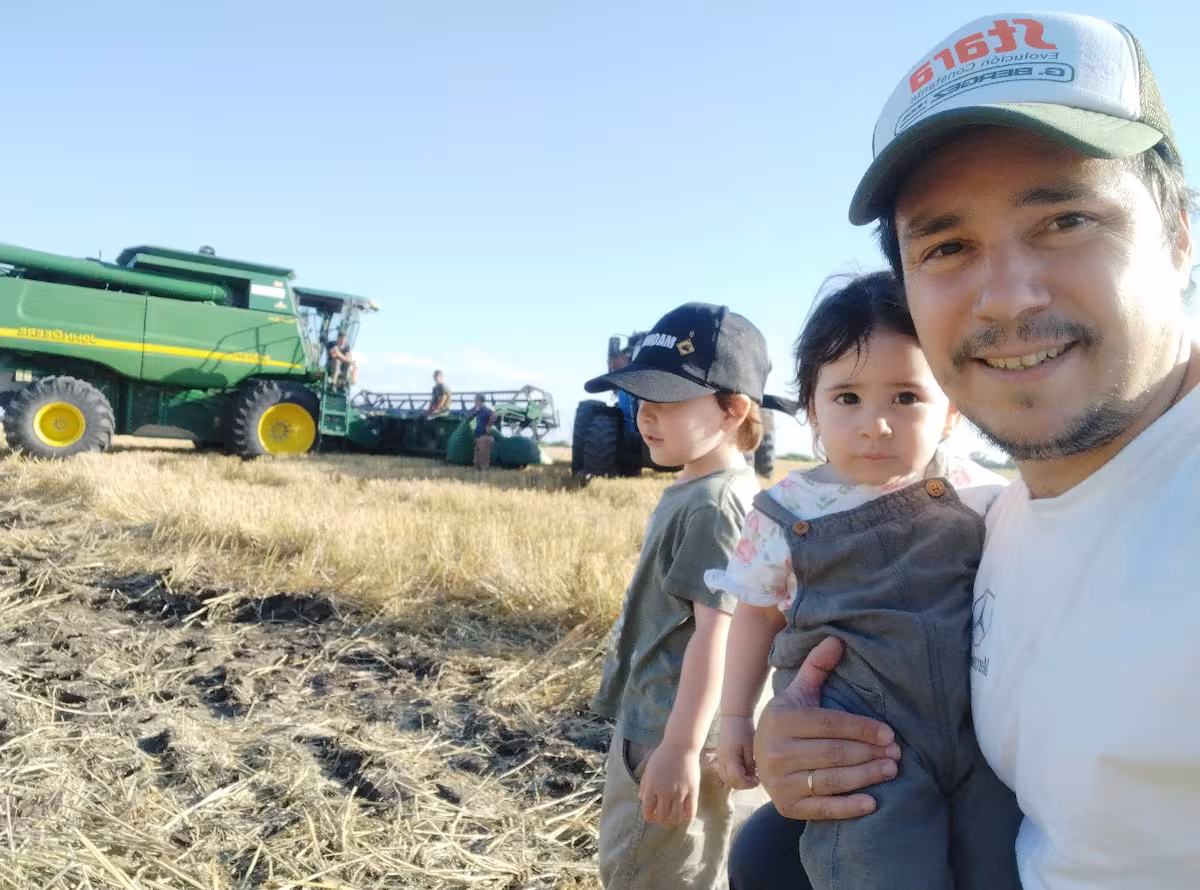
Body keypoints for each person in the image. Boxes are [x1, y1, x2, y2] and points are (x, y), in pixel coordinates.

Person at [743, 11, 1200, 889]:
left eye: (1066, 219)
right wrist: (808, 737)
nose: (1006, 297)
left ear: (1180, 236)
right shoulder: (992, 517)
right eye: (948, 246)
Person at [707, 270, 1019, 889]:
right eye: (848, 398)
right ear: (813, 412)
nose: (875, 423)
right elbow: (756, 615)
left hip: (981, 740)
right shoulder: (787, 512)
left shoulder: (982, 493)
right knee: (876, 868)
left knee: (1003, 864)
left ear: (951, 409)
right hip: (863, 748)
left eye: (905, 397)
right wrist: (737, 719)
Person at [582, 302, 776, 890]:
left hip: (672, 728)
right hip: (659, 719)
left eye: (666, 401)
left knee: (653, 869)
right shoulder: (697, 487)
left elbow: (720, 633)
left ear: (733, 409)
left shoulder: (718, 505)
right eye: (641, 399)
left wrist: (681, 747)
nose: (646, 415)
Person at [468, 393, 496, 473]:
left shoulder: (485, 410)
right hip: (478, 437)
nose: (474, 402)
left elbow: (494, 415)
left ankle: (484, 477)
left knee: (483, 458)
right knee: (476, 459)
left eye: (475, 400)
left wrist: (488, 425)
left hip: (484, 437)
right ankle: (477, 477)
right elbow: (469, 416)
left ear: (479, 401)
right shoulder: (478, 411)